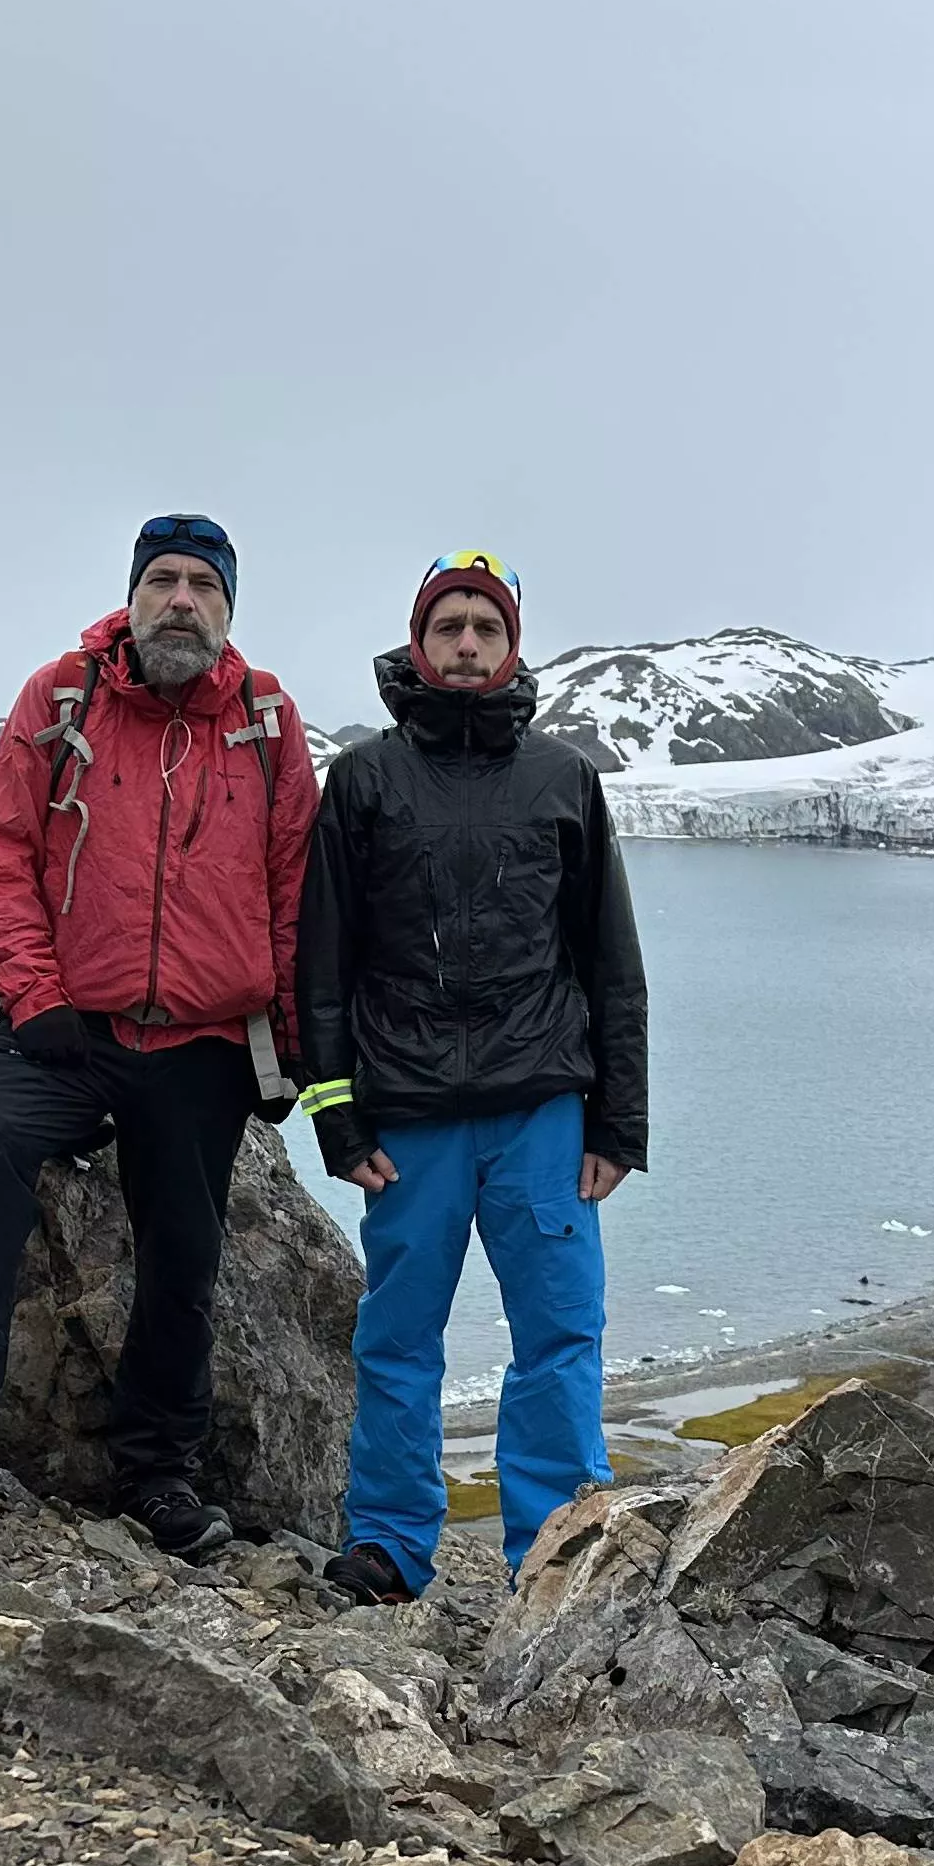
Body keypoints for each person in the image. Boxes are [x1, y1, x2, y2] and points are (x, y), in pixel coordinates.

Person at [0, 516, 316, 1556]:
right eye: (163, 582)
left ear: (228, 610)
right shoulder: (60, 697)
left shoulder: (266, 721)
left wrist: (287, 1037)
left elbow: (293, 887)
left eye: (202, 587)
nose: (181, 601)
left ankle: (159, 1476)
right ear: (133, 596)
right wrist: (30, 991)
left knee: (182, 1249)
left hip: (200, 1038)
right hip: (63, 1021)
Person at [296, 551, 648, 1605]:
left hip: (540, 1107)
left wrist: (617, 1124)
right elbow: (323, 963)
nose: (463, 644)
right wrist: (336, 1117)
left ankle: (550, 1550)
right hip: (407, 1117)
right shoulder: (362, 781)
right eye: (446, 626)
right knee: (398, 1336)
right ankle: (390, 1546)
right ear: (417, 643)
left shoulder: (561, 778)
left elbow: (608, 961)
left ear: (510, 648)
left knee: (559, 1334)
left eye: (482, 629)